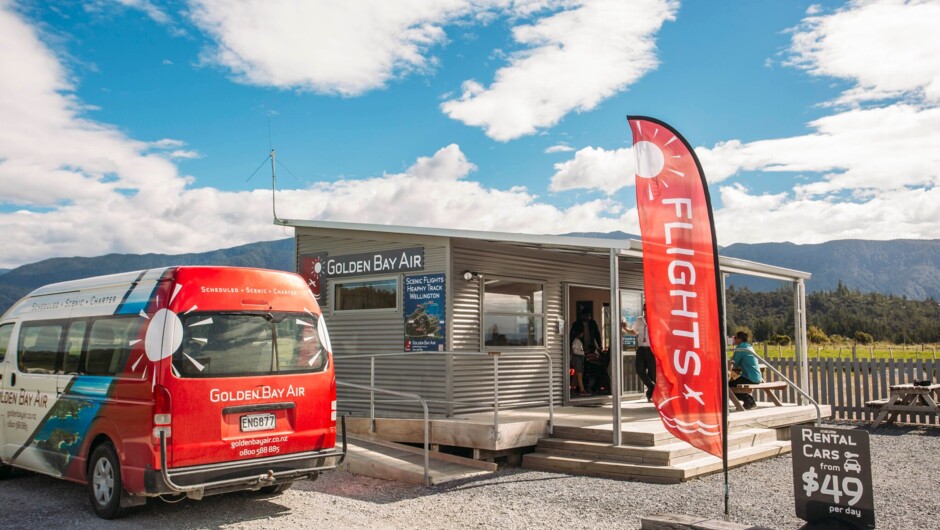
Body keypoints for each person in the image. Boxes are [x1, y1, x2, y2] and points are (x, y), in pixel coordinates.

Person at [625, 305, 655, 402]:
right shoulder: (639, 320)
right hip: (641, 349)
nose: (646, 311)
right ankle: (652, 387)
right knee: (639, 370)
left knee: (652, 374)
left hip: (651, 350)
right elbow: (634, 332)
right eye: (645, 309)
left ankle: (650, 395)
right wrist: (625, 328)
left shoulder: (655, 320)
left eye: (648, 309)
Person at [729, 330, 762, 410]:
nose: (734, 339)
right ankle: (748, 401)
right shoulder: (748, 346)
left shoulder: (741, 348)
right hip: (756, 376)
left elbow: (734, 363)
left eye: (735, 338)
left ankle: (748, 400)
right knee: (732, 381)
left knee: (728, 385)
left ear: (739, 339)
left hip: (749, 377)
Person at [570, 330, 590, 396]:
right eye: (582, 332)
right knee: (579, 374)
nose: (583, 334)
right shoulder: (576, 341)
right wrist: (583, 353)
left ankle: (572, 388)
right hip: (577, 359)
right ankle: (582, 390)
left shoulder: (577, 341)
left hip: (578, 359)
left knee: (576, 374)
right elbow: (575, 351)